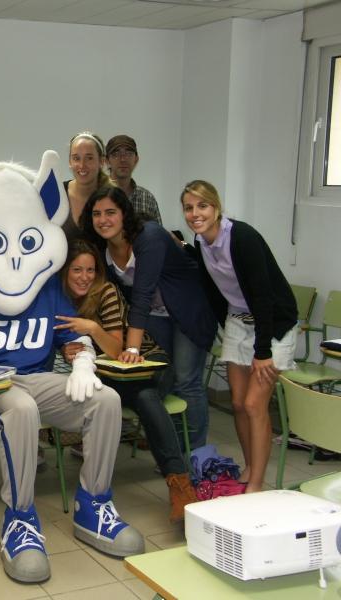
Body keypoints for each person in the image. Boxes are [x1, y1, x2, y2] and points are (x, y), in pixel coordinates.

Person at [0, 149, 144, 585]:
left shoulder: (45, 285)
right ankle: (21, 518)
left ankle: (94, 504)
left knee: (106, 399)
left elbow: (74, 335)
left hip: (35, 379)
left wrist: (85, 361)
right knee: (22, 409)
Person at [54, 239, 197, 521]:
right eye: (77, 270)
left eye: (90, 270)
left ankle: (180, 485)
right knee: (121, 397)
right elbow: (62, 339)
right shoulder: (59, 298)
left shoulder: (105, 292)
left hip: (148, 365)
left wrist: (92, 329)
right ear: (64, 272)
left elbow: (117, 350)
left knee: (144, 396)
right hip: (112, 376)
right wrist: (65, 347)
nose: (85, 277)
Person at [181, 180, 298, 493]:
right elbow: (215, 292)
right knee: (237, 402)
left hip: (273, 325)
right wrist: (229, 328)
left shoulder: (241, 237)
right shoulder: (201, 242)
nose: (195, 213)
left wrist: (262, 352)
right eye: (189, 208)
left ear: (216, 208)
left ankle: (257, 483)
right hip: (238, 321)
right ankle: (249, 468)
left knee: (253, 404)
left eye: (202, 206)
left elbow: (261, 296)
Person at [80, 186, 217, 449]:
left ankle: (195, 455)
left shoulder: (149, 235)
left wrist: (131, 347)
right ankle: (174, 449)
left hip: (189, 311)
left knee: (187, 381)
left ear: (124, 214)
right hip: (155, 315)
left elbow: (142, 294)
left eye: (111, 212)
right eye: (96, 214)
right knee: (167, 377)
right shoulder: (102, 245)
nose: (103, 219)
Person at [62, 131, 112, 240]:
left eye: (89, 158)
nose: (82, 165)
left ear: (101, 161)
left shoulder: (113, 198)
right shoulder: (57, 193)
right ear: (70, 162)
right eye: (76, 158)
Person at [105, 135, 162, 224]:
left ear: (136, 160)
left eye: (129, 153)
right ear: (107, 161)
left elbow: (157, 235)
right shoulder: (95, 196)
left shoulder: (147, 198)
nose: (123, 159)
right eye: (116, 154)